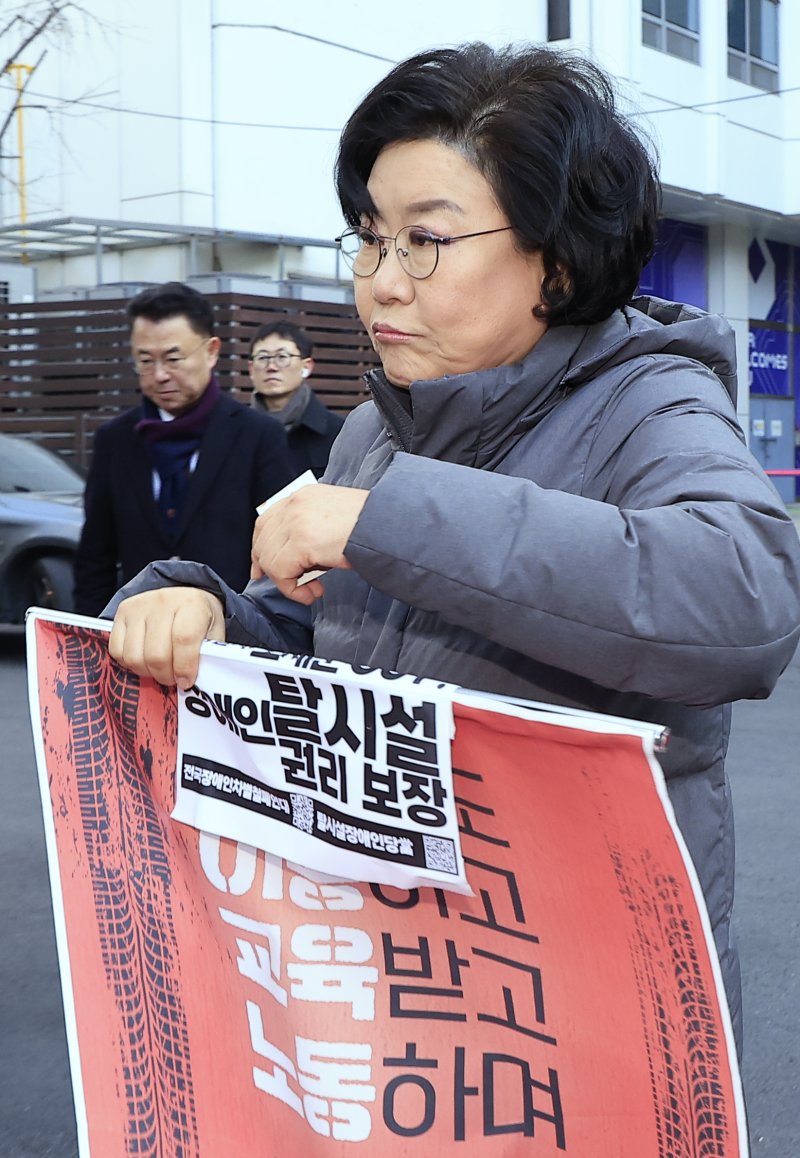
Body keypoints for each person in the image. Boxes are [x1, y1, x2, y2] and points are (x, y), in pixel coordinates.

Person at [105, 44, 800, 1057]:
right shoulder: (379, 428)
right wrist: (205, 610)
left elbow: (743, 599)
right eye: (368, 239)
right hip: (409, 989)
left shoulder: (649, 400)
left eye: (424, 242)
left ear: (552, 261)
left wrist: (376, 519)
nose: (380, 282)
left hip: (588, 1013)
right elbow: (335, 633)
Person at [73, 282, 294, 615]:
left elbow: (284, 547)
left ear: (211, 351)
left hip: (231, 631)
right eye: (145, 361)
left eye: (173, 358)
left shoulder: (258, 435)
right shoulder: (115, 440)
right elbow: (95, 557)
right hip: (137, 635)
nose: (159, 375)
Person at [247, 321, 344, 478]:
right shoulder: (236, 431)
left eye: (282, 357)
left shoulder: (339, 432)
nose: (271, 366)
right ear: (251, 369)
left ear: (306, 366)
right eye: (263, 357)